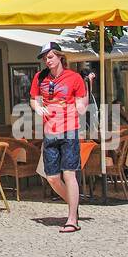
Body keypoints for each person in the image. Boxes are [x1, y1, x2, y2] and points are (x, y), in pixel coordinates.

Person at [30, 42, 87, 234]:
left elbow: (81, 103)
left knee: (69, 174)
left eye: (50, 56)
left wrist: (80, 107)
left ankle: (72, 218)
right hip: (50, 132)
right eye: (45, 58)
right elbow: (33, 98)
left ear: (60, 56)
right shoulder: (40, 77)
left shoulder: (75, 78)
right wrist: (37, 107)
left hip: (70, 130)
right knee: (53, 177)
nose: (48, 60)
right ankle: (74, 204)